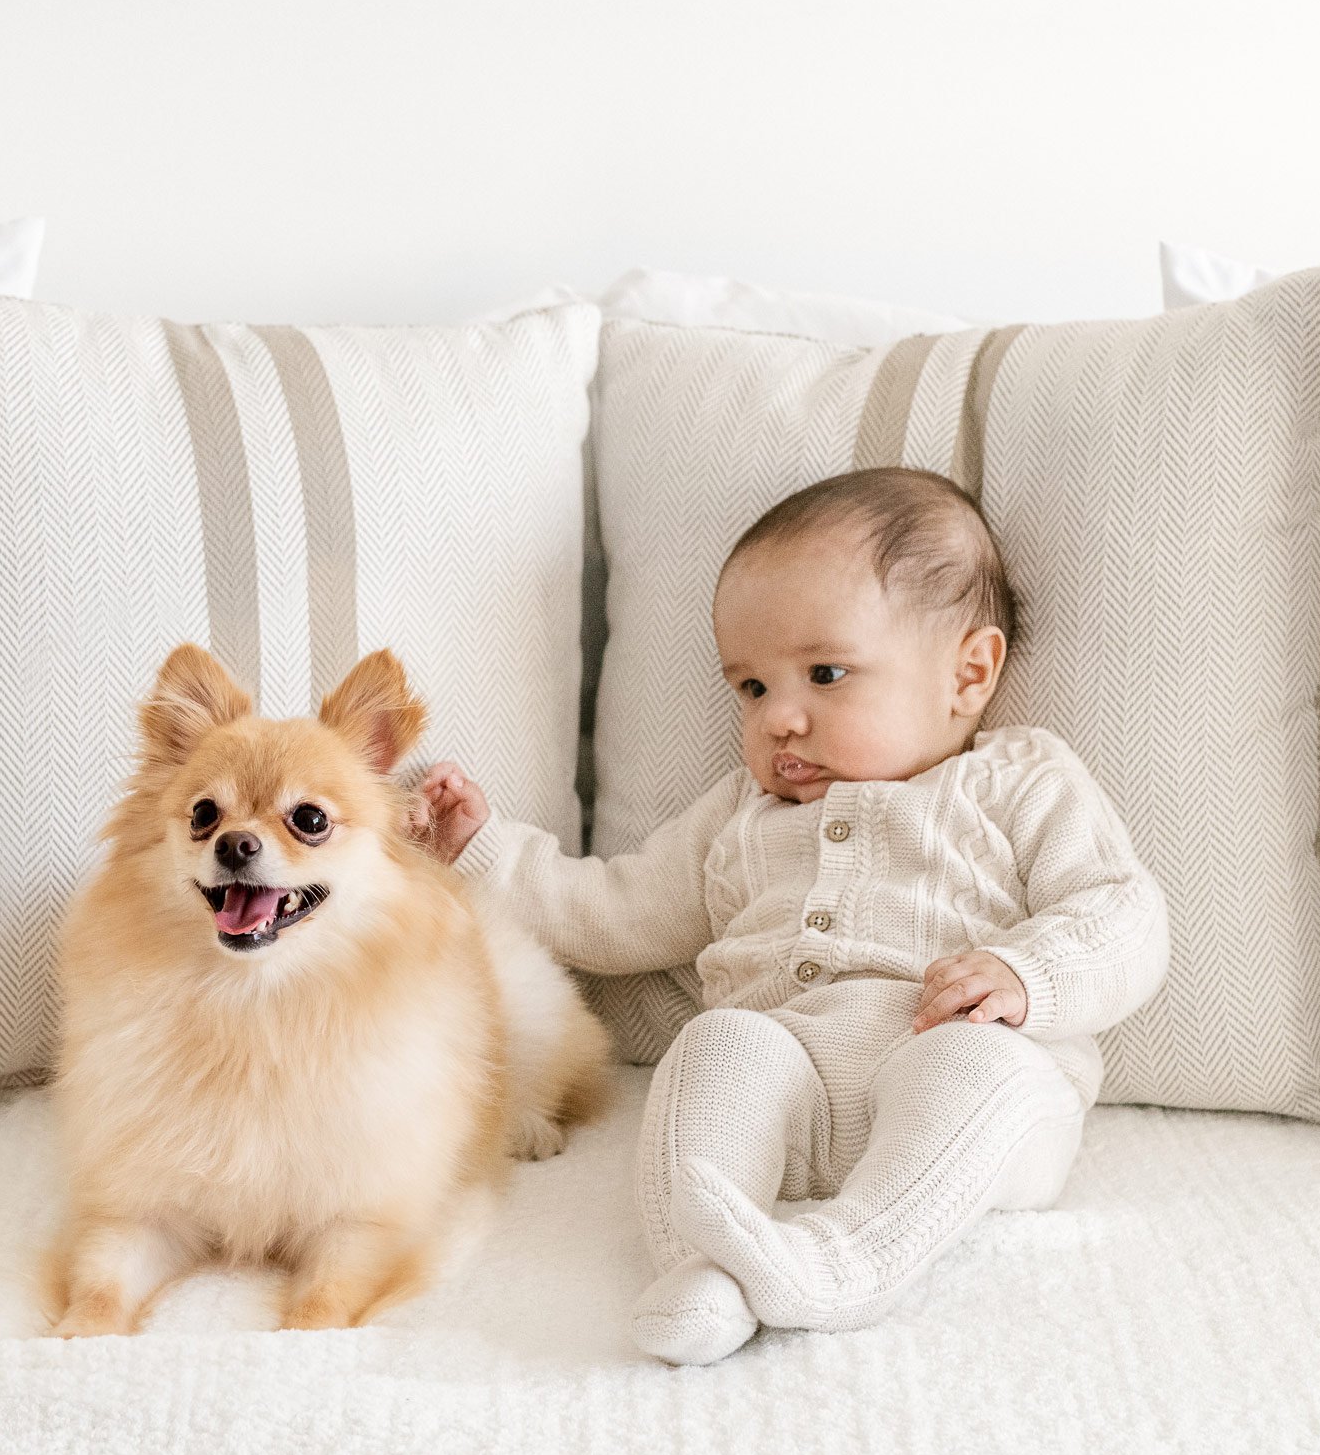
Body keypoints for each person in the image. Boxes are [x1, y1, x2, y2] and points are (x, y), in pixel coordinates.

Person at [413, 468, 1168, 1364]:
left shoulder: (1015, 779)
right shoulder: (741, 816)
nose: (780, 718)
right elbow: (613, 909)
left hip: (960, 1095)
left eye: (824, 673)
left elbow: (1122, 910)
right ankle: (702, 1269)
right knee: (717, 1044)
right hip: (794, 1086)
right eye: (752, 688)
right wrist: (483, 850)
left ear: (969, 673)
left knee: (977, 1069)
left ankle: (846, 1259)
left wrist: (1026, 976)